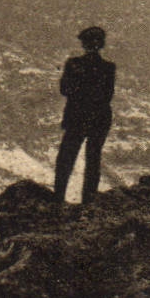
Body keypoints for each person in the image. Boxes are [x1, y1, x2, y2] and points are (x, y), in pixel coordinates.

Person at [53, 25, 115, 204]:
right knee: (93, 160)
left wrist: (80, 90)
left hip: (76, 117)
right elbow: (107, 95)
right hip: (99, 118)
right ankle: (89, 200)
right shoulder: (108, 68)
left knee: (66, 158)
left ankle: (58, 198)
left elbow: (65, 90)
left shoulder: (73, 64)